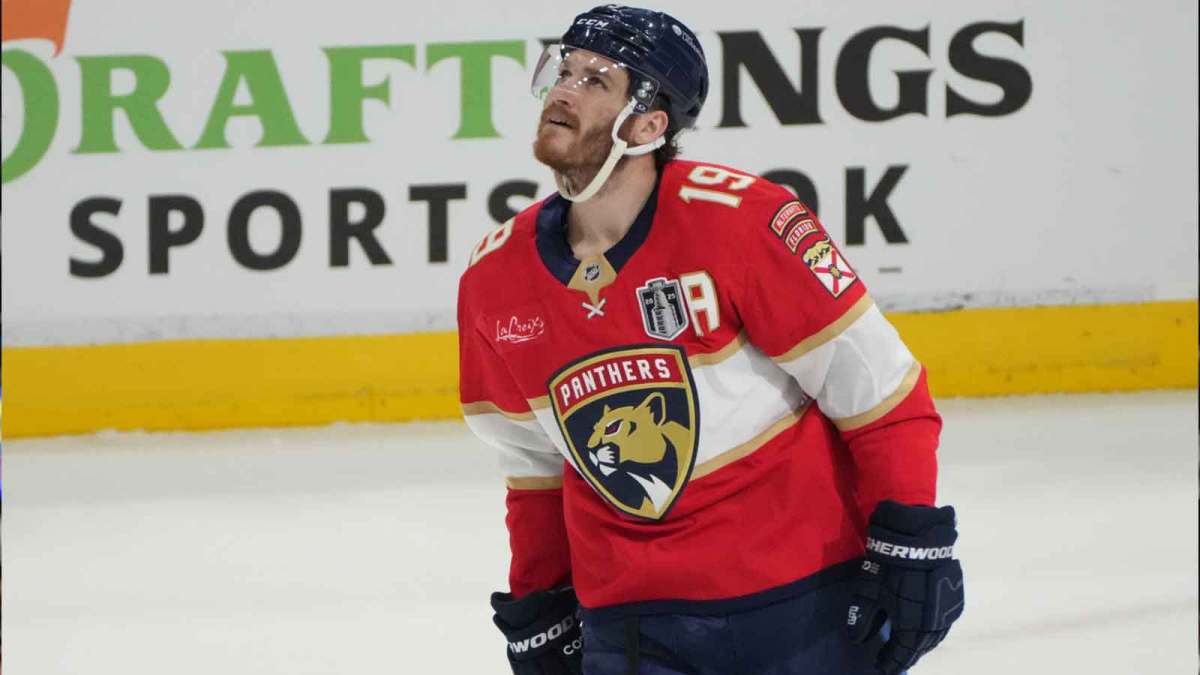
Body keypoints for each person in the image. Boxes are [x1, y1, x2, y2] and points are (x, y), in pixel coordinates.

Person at [457, 6, 964, 674]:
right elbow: (533, 469)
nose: (563, 90)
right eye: (563, 70)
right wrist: (541, 599)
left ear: (649, 125)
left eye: (595, 80)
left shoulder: (746, 224)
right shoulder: (494, 278)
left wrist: (908, 535)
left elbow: (878, 391)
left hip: (800, 602)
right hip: (632, 621)